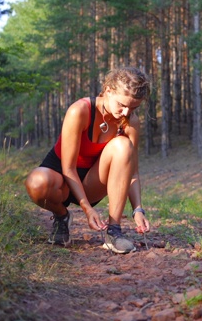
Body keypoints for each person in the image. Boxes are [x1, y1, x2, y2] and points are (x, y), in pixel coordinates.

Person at [25, 67, 151, 254]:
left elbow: (132, 172)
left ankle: (114, 231)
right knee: (36, 183)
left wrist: (138, 209)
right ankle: (61, 217)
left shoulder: (130, 122)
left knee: (123, 146)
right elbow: (68, 169)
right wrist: (86, 210)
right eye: (122, 105)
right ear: (108, 91)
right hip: (61, 178)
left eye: (133, 108)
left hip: (92, 182)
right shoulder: (80, 110)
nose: (126, 112)